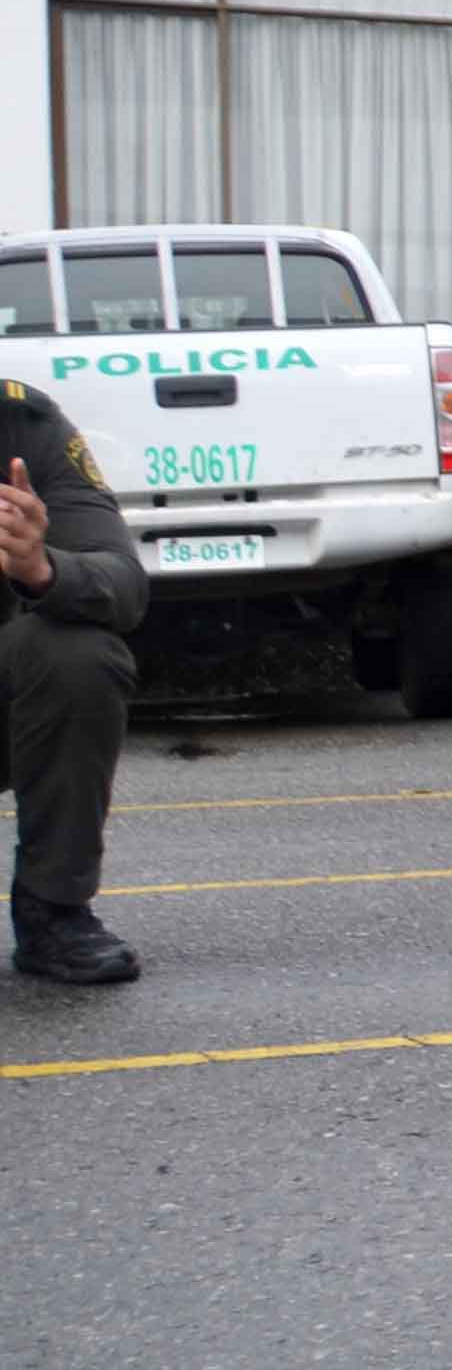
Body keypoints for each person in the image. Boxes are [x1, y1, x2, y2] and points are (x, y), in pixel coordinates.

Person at [1, 375, 146, 984]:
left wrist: (41, 567)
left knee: (77, 651)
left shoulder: (22, 427)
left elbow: (123, 583)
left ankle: (53, 909)